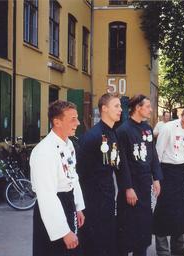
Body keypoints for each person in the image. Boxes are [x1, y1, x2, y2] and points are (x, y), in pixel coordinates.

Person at [30, 100, 85, 256]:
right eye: (73, 119)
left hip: (68, 205)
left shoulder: (69, 144)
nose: (78, 123)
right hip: (52, 211)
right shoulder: (44, 151)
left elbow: (73, 177)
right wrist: (63, 232)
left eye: (77, 118)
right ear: (57, 122)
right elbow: (47, 196)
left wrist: (78, 206)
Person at [116, 94, 163, 256]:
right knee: (127, 227)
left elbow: (153, 155)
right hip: (131, 185)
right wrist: (128, 187)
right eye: (148, 106)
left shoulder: (148, 128)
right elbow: (122, 163)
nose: (151, 110)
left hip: (144, 185)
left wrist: (156, 178)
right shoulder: (123, 130)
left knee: (143, 227)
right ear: (138, 107)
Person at [77, 93, 122, 256]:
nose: (120, 110)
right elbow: (80, 173)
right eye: (116, 106)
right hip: (93, 201)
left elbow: (114, 163)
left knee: (107, 240)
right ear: (104, 108)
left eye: (120, 106)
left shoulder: (113, 133)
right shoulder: (92, 136)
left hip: (108, 197)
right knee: (94, 243)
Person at [153, 106, 184, 256]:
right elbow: (157, 154)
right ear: (181, 115)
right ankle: (162, 250)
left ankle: (178, 248)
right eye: (183, 121)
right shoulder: (167, 128)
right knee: (163, 210)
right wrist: (156, 179)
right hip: (166, 170)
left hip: (180, 171)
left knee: (181, 211)